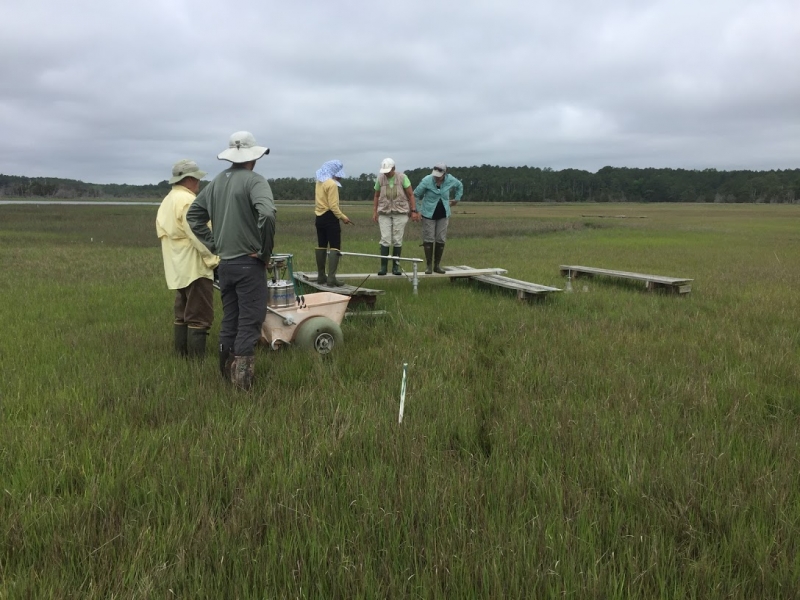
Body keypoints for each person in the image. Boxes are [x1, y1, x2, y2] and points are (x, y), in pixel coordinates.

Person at [187, 131, 276, 390]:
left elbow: (194, 215)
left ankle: (225, 373)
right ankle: (242, 383)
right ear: (254, 157)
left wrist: (215, 244)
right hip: (249, 264)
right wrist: (264, 252)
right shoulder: (255, 181)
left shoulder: (216, 182)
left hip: (225, 265)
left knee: (230, 319)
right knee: (250, 320)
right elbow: (268, 215)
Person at [156, 159, 220, 358]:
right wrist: (214, 260)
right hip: (194, 267)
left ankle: (181, 356)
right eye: (196, 178)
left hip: (177, 267)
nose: (199, 182)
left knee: (182, 312)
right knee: (199, 315)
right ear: (189, 179)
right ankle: (195, 363)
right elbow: (197, 234)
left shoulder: (168, 199)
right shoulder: (187, 201)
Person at [372, 158, 420, 275]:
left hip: (401, 212)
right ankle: (383, 267)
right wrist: (375, 212)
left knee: (397, 240)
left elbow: (410, 195)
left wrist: (413, 210)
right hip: (384, 212)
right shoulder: (380, 179)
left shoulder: (402, 178)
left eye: (388, 171)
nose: (386, 173)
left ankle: (395, 267)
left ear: (394, 168)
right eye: (384, 171)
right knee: (385, 239)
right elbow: (376, 196)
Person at [413, 163, 464, 274]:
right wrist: (418, 210)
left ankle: (437, 265)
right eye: (435, 174)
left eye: (439, 175)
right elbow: (416, 194)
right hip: (428, 213)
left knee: (441, 238)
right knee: (429, 238)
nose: (436, 177)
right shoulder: (427, 180)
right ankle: (429, 266)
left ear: (445, 173)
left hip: (443, 213)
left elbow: (460, 185)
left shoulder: (450, 180)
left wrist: (456, 199)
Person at [314, 160, 352, 287]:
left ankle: (321, 276)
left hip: (319, 218)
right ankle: (331, 278)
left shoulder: (319, 181)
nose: (340, 177)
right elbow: (333, 206)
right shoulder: (332, 184)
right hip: (330, 218)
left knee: (322, 245)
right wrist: (343, 217)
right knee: (335, 246)